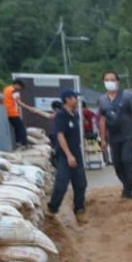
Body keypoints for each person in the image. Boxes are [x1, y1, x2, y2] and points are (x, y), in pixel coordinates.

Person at [98, 71, 132, 199]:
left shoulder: (127, 96)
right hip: (113, 137)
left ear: (118, 81)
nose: (109, 82)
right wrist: (103, 138)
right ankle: (126, 186)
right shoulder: (102, 99)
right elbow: (102, 119)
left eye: (112, 80)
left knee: (127, 160)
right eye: (106, 80)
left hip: (128, 134)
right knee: (117, 163)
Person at [48, 89, 88, 224]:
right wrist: (69, 155)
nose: (76, 100)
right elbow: (60, 135)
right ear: (67, 99)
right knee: (61, 184)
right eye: (74, 98)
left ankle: (79, 211)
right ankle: (52, 209)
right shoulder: (61, 115)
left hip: (76, 153)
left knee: (81, 184)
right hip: (66, 155)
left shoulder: (75, 114)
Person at [2, 79, 37, 148]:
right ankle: (24, 143)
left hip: (6, 112)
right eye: (20, 87)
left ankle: (18, 143)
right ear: (17, 85)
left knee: (16, 128)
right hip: (13, 112)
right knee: (21, 128)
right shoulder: (14, 91)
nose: (20, 89)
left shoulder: (6, 89)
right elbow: (19, 102)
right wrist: (29, 108)